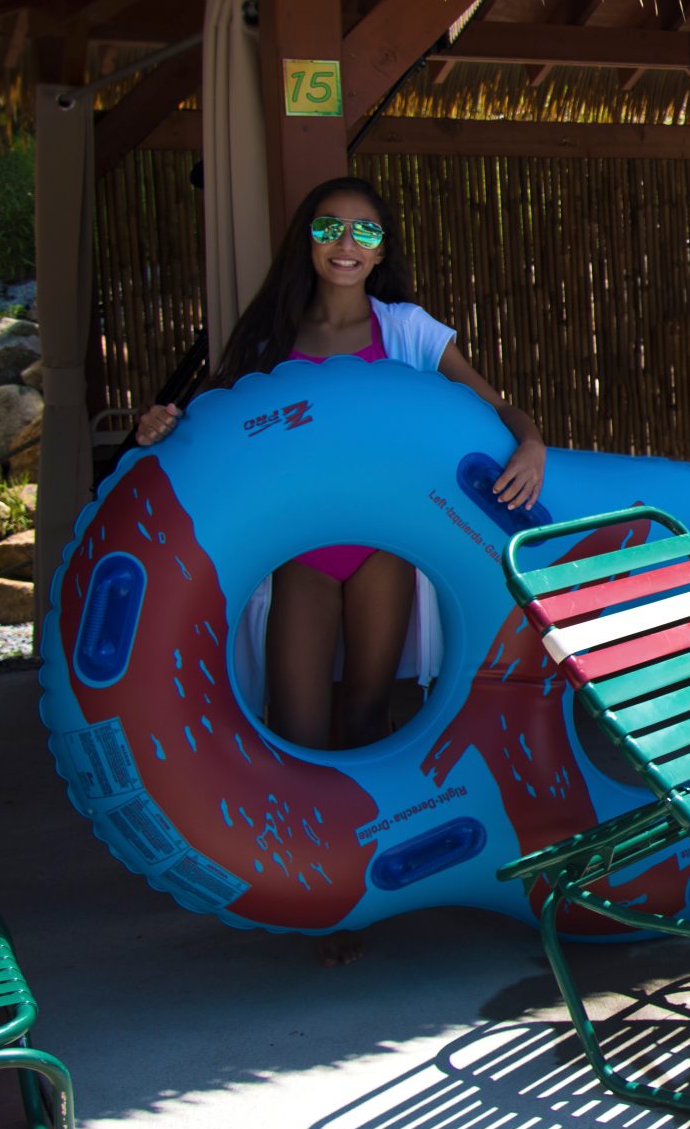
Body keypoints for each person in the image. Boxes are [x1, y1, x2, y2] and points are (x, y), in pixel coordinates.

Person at [134, 177, 545, 750]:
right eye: (328, 227)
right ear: (308, 241)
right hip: (302, 549)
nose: (345, 242)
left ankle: (364, 839)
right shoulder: (269, 338)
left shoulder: (407, 329)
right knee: (294, 729)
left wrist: (531, 443)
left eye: (364, 230)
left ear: (381, 249)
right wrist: (161, 427)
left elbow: (497, 407)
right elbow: (210, 430)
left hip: (384, 546)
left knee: (364, 718)